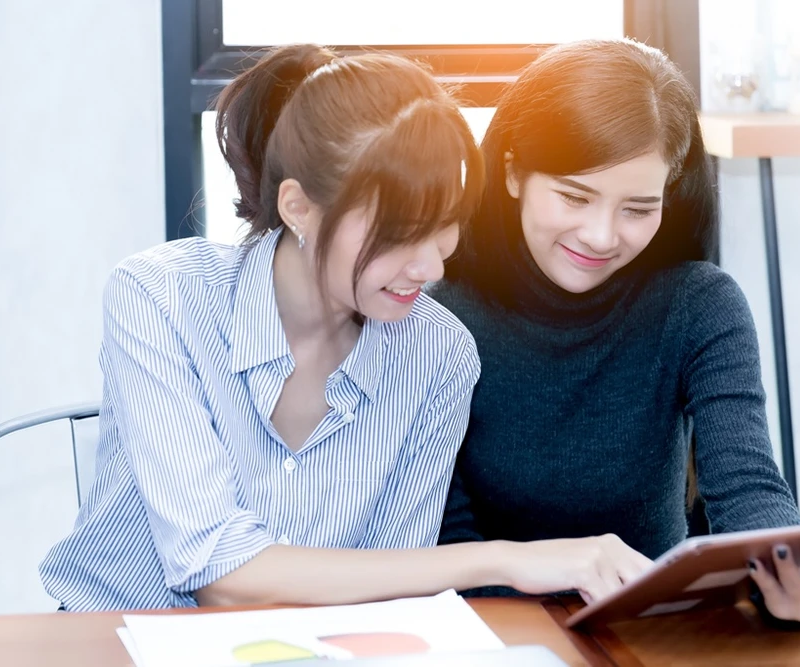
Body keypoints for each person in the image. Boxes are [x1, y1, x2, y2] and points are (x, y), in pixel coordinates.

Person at [39, 44, 658, 612]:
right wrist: (505, 559)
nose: (431, 266)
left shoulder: (439, 352)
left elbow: (394, 584)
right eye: (399, 234)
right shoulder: (162, 297)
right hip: (110, 639)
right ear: (299, 207)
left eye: (446, 225)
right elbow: (216, 572)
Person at [432, 39, 800, 624]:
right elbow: (448, 538)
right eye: (574, 196)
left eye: (637, 208)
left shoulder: (699, 303)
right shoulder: (441, 313)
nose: (601, 236)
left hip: (654, 627)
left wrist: (787, 570)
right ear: (513, 173)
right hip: (495, 629)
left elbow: (747, 487)